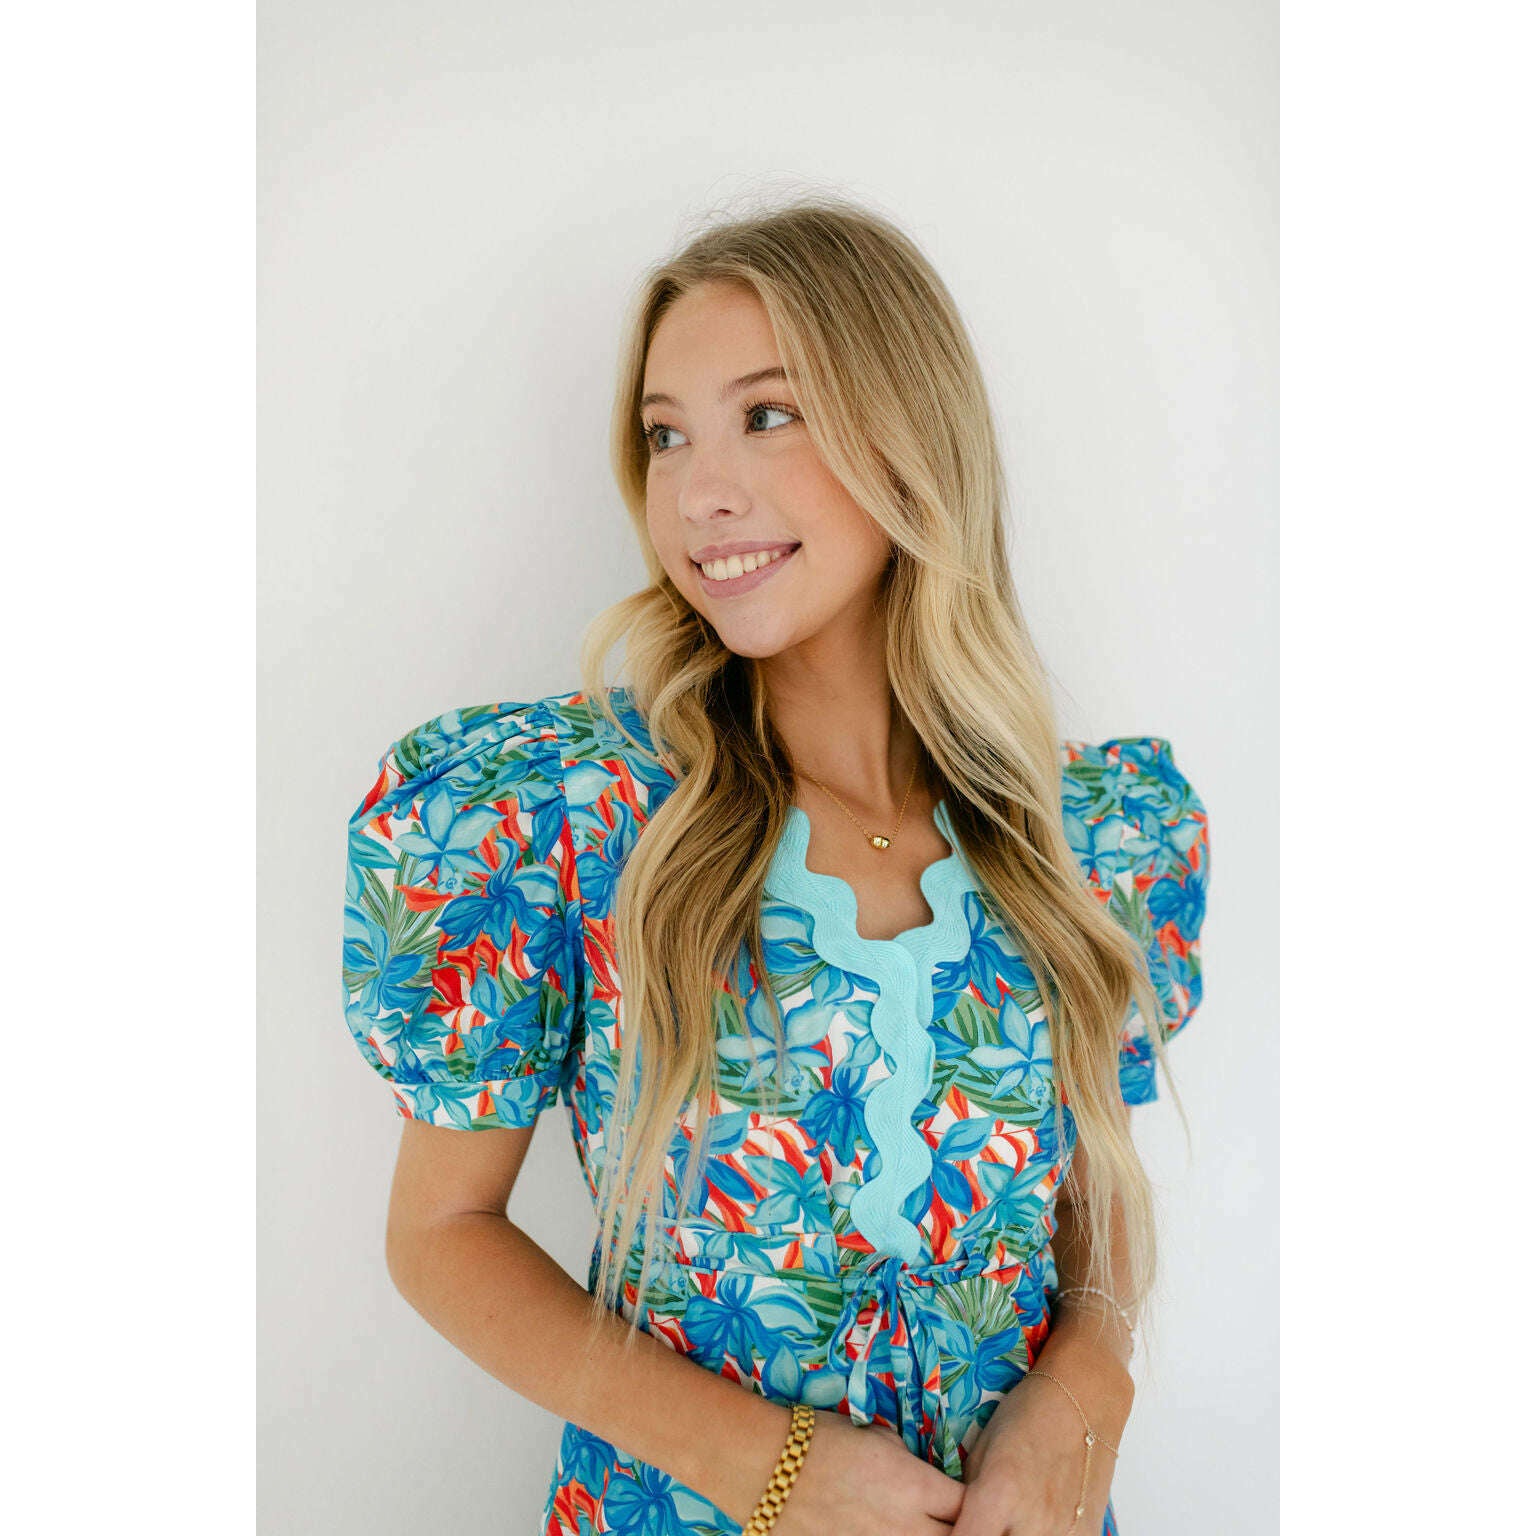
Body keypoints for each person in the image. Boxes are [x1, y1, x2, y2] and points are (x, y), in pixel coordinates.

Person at [340, 195, 1210, 1536]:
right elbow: (440, 1234)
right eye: (666, 435)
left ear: (908, 431)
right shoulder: (560, 819)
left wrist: (1090, 1385)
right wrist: (769, 1466)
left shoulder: (1084, 831)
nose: (701, 492)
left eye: (767, 414)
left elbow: (1092, 1194)